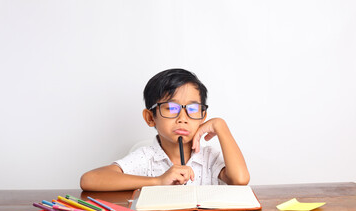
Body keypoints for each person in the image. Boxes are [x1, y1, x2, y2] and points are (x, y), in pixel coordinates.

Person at [80, 68, 250, 191]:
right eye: (171, 108)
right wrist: (158, 181)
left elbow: (240, 180)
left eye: (192, 109)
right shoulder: (146, 157)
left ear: (202, 116)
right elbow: (89, 180)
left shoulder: (208, 157)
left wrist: (221, 126)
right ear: (150, 117)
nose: (183, 118)